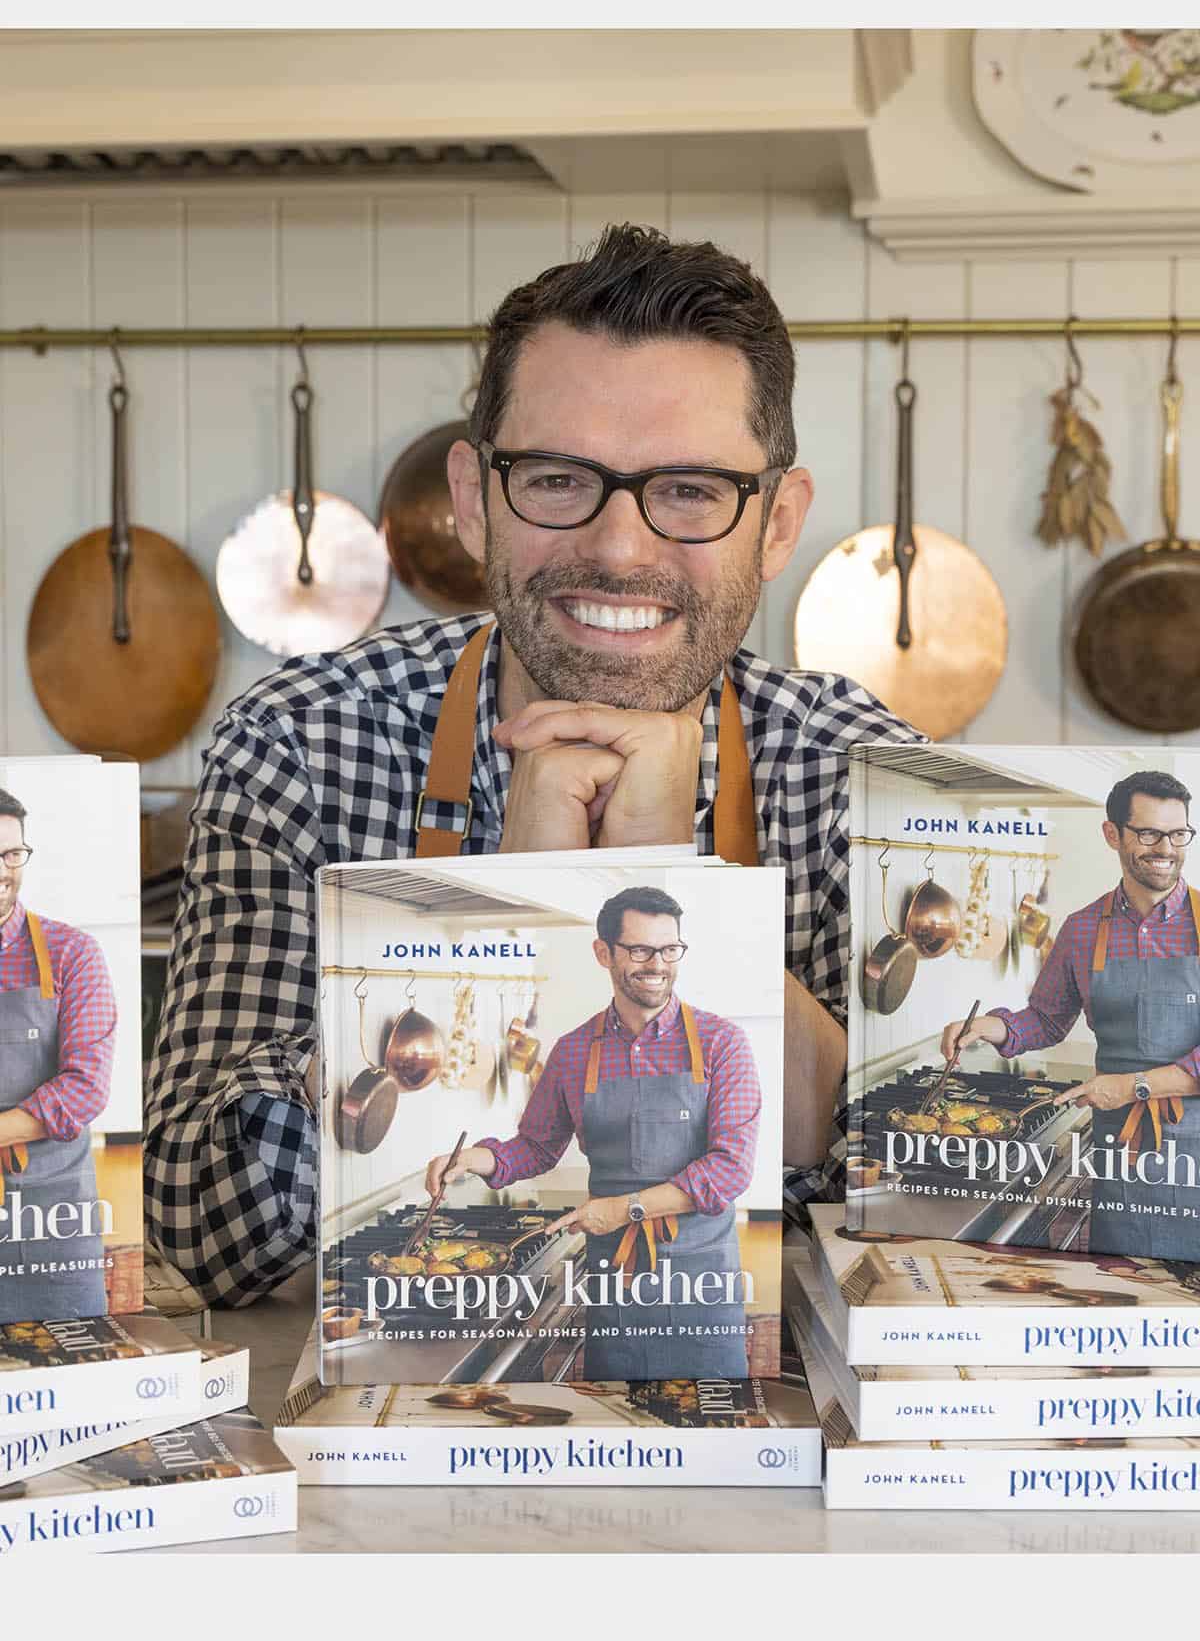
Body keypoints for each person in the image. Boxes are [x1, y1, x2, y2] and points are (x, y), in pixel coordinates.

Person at [147, 222, 921, 1305]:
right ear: (472, 498)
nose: (619, 546)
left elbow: (966, 1210)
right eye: (558, 478)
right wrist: (496, 918)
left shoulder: (867, 775)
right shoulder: (300, 743)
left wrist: (660, 883)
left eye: (691, 488)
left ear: (778, 520)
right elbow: (202, 1225)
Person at [424, 886, 760, 1378]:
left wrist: (623, 1210)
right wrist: (473, 1159)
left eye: (669, 949)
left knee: (708, 1415)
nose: (657, 964)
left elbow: (730, 1169)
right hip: (616, 1280)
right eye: (640, 950)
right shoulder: (573, 1050)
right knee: (615, 1416)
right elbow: (537, 1146)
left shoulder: (722, 1043)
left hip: (698, 1276)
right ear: (604, 952)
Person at [940, 770, 1200, 1261]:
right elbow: (1046, 1017)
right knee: (1118, 1282)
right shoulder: (1083, 929)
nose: (1166, 847)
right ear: (1112, 834)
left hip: (1196, 1147)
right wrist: (986, 1028)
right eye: (1148, 833)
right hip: (1121, 1154)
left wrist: (1134, 1085)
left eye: (1178, 833)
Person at [0, 788, 116, 1318]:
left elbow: (85, 1086)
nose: (3, 869)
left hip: (51, 1217)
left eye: (11, 853)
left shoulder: (72, 954)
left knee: (72, 1365)